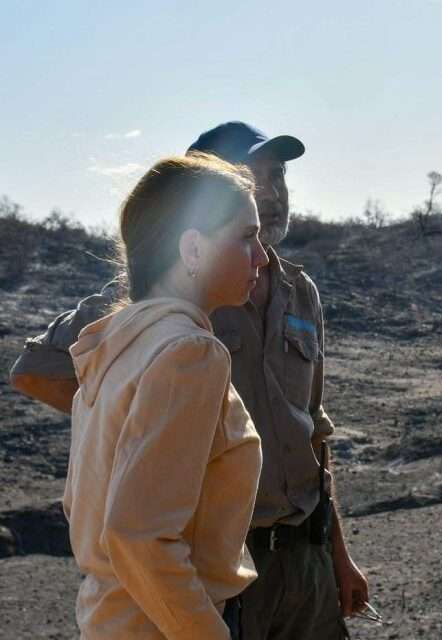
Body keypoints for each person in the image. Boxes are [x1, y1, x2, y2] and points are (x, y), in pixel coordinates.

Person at [10, 122, 368, 639]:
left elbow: (312, 428)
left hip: (296, 556)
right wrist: (154, 439)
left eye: (278, 176)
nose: (271, 193)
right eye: (251, 176)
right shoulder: (162, 316)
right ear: (193, 226)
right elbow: (38, 374)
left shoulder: (297, 292)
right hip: (205, 570)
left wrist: (338, 554)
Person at [64, 152, 266, 638]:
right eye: (246, 236)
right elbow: (139, 536)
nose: (261, 255)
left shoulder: (118, 345)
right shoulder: (189, 353)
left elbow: (83, 507)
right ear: (192, 249)